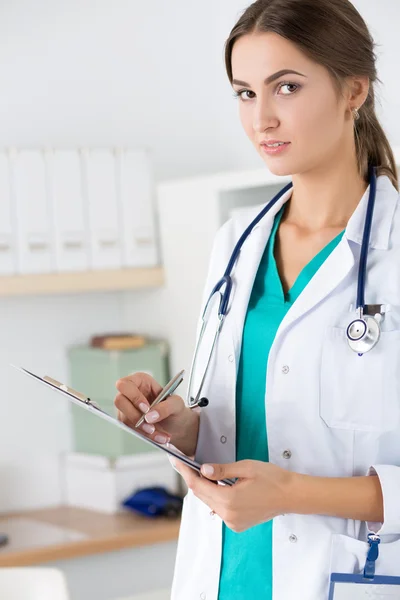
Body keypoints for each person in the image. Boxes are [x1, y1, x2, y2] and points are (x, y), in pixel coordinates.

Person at [114, 0, 400, 598]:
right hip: (220, 577)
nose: (261, 118)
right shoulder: (235, 245)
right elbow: (237, 422)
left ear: (354, 91)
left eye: (286, 87)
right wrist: (180, 429)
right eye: (245, 93)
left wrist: (292, 494)